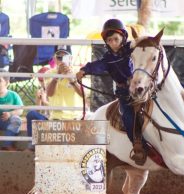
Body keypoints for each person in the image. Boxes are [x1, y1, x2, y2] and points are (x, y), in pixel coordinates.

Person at [76, 18, 150, 165]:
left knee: (166, 90)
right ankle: (138, 145)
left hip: (142, 87)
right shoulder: (108, 59)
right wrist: (84, 70)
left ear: (123, 38)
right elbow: (97, 65)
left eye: (115, 39)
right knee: (127, 114)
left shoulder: (132, 48)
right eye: (109, 40)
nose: (113, 43)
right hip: (124, 93)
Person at [26, 48, 83, 151]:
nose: (62, 60)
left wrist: (72, 80)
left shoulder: (78, 72)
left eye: (64, 57)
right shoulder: (49, 73)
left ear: (70, 59)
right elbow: (50, 93)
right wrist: (57, 76)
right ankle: (33, 146)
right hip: (55, 117)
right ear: (55, 59)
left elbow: (83, 95)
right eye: (59, 57)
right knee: (31, 114)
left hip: (75, 117)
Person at [0, 71, 23, 151]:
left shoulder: (13, 95)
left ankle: (7, 144)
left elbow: (20, 110)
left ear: (7, 83)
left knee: (16, 120)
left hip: (7, 122)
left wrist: (10, 114)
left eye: (0, 81)